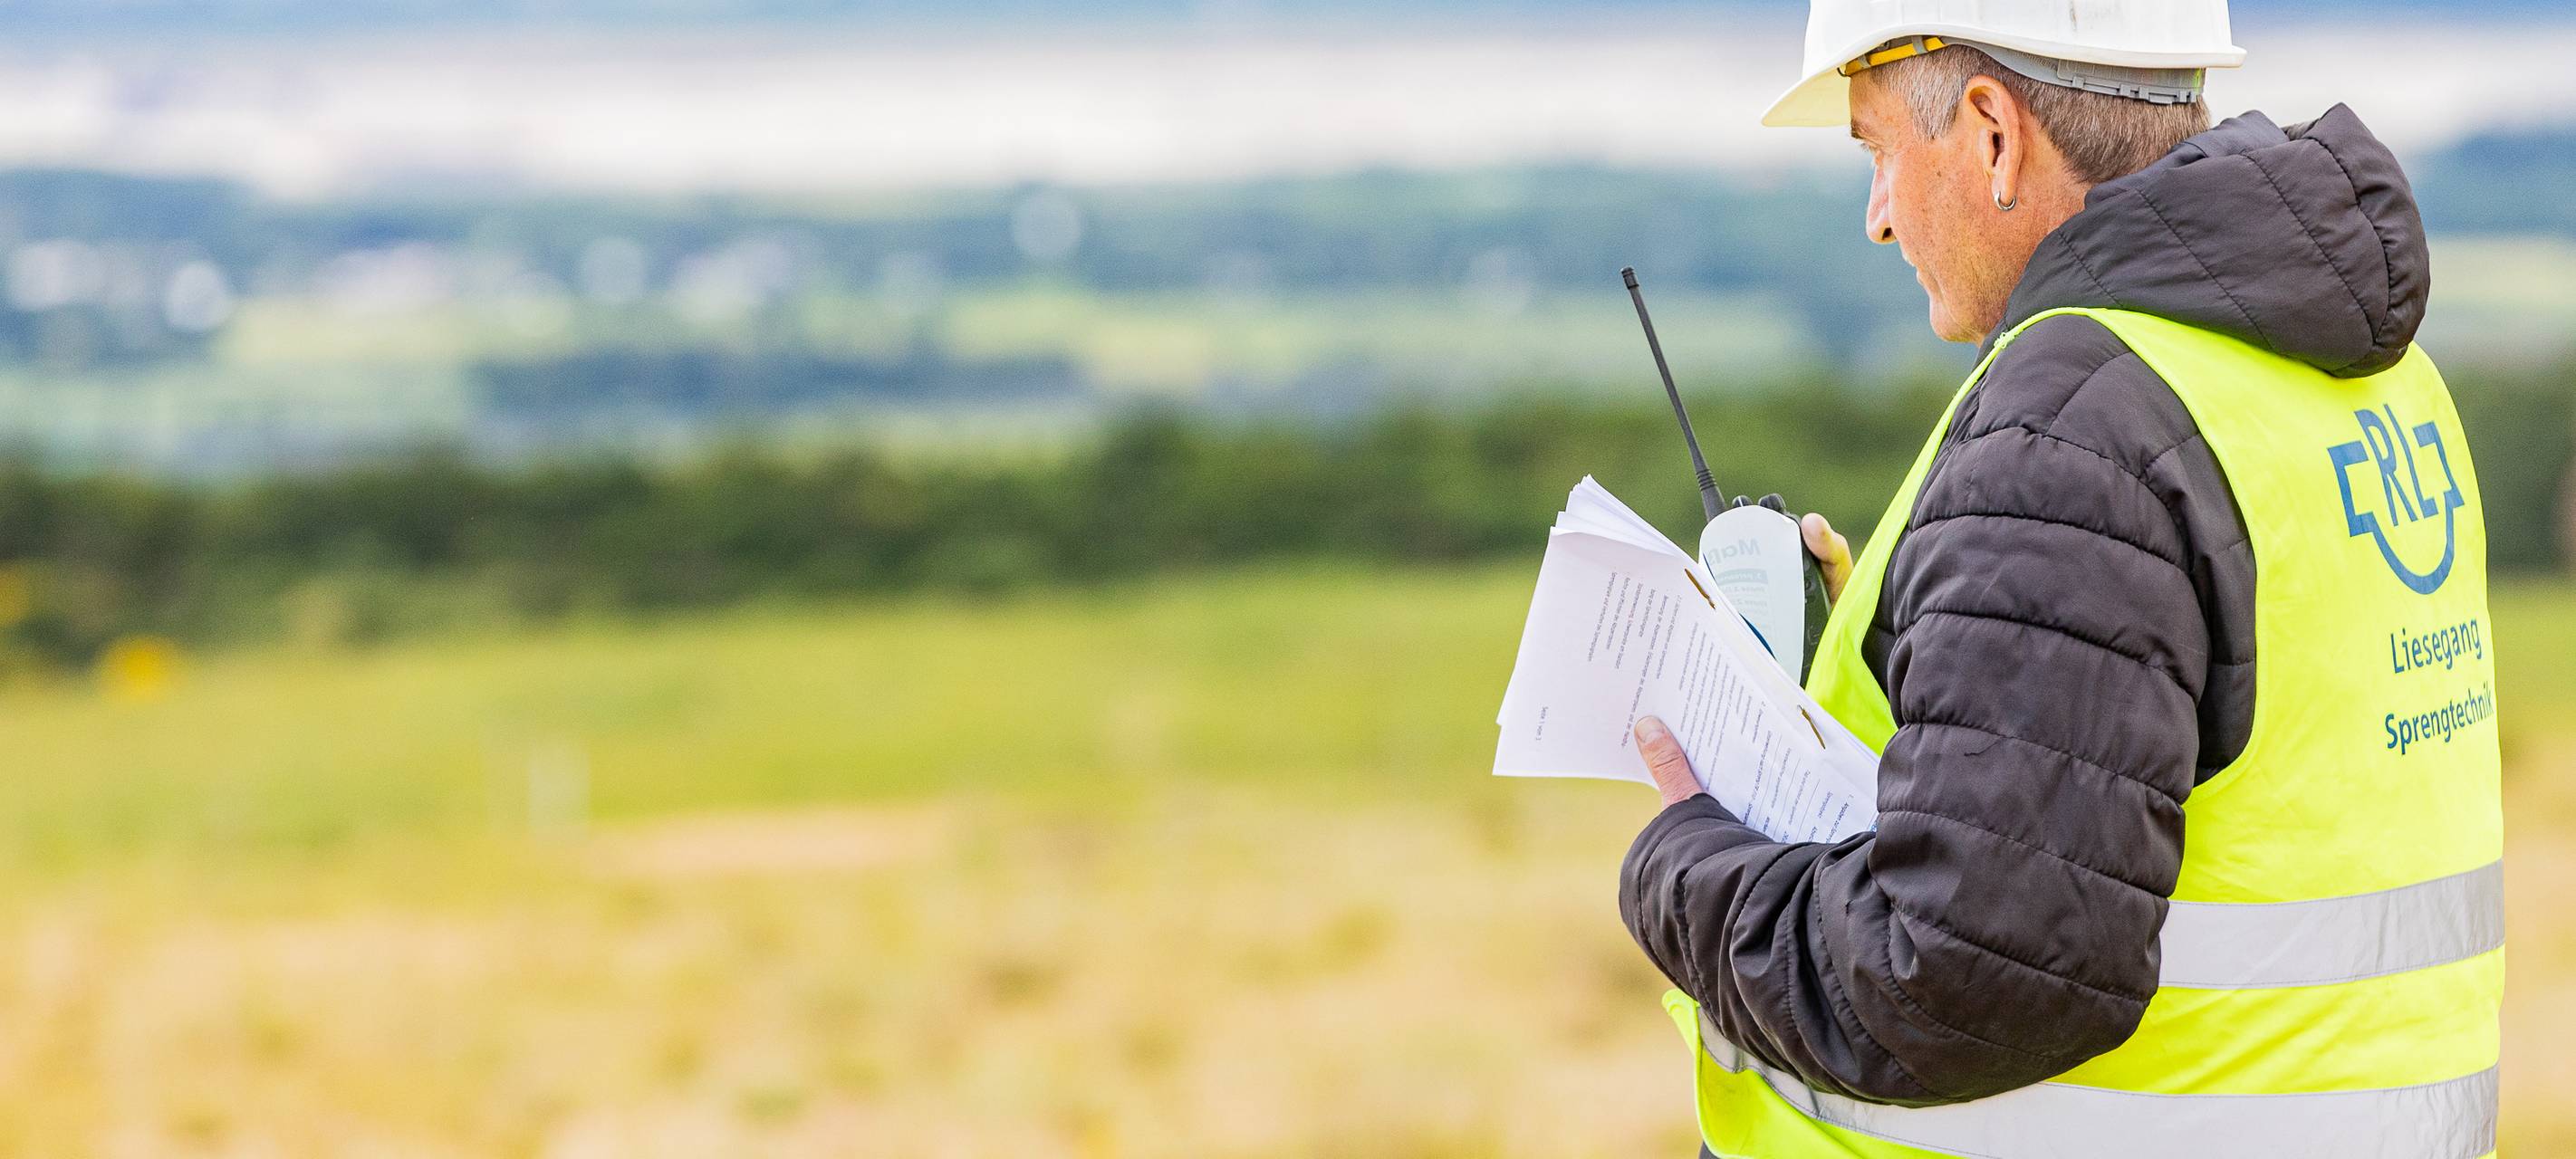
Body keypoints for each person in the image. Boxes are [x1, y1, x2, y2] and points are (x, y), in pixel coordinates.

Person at [1617, 2, 2505, 1155]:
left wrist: (1689, 865)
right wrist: (1937, 667)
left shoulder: (2075, 429)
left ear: (1992, 133)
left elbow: (1964, 973)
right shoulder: (2375, 383)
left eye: (1878, 151)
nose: (1879, 218)